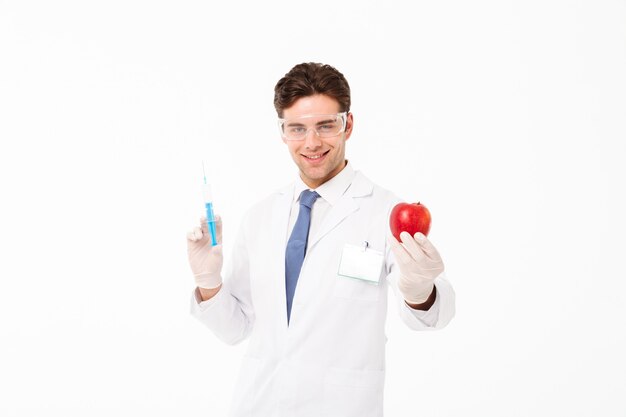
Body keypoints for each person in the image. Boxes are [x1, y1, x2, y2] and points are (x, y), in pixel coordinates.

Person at [187, 62, 455, 417]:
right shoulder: (261, 217)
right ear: (283, 132)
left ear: (348, 125)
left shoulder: (383, 211)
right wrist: (208, 283)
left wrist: (421, 290)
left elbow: (431, 318)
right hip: (259, 402)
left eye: (325, 126)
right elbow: (235, 329)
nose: (311, 143)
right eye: (297, 128)